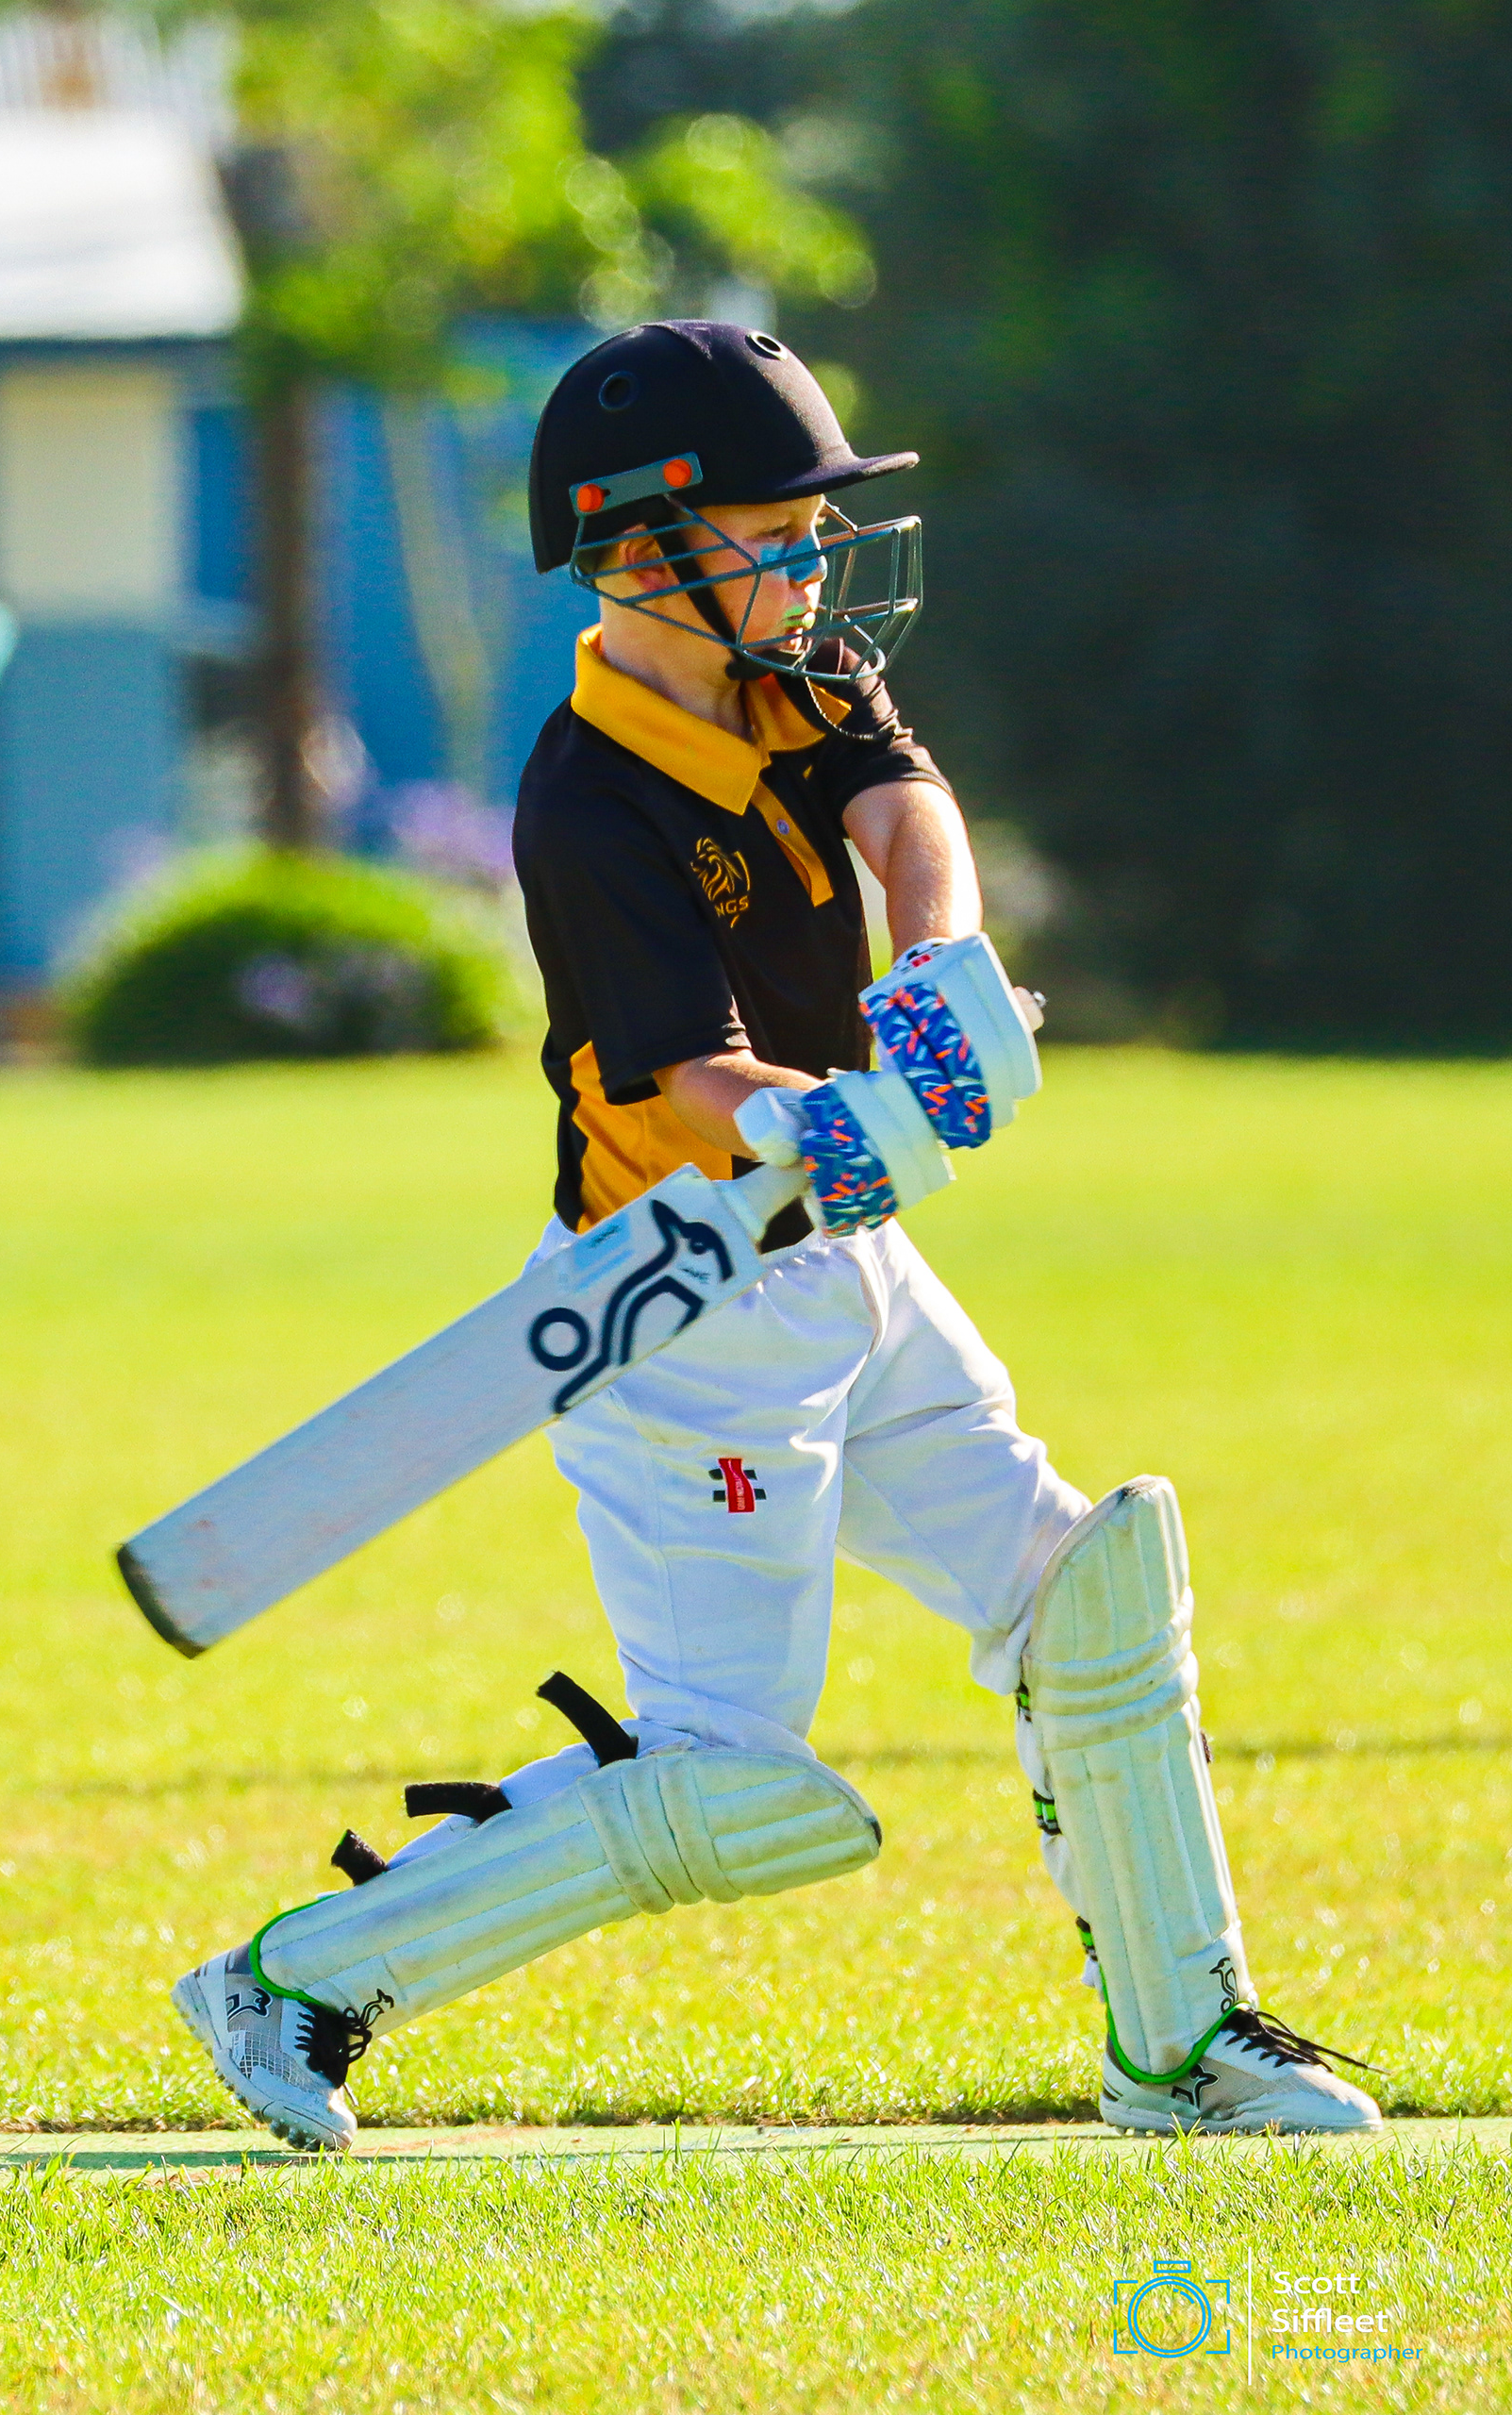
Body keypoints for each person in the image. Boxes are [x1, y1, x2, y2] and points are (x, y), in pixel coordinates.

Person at [171, 322, 1379, 2147]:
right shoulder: (589, 800)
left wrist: (939, 961)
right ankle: (298, 1982)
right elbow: (690, 1074)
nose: (818, 567)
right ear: (647, 549)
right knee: (732, 1778)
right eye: (780, 532)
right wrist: (824, 1118)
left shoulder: (797, 669)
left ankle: (1182, 2045)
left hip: (846, 1266)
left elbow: (908, 808)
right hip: (689, 1314)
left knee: (1085, 1601)